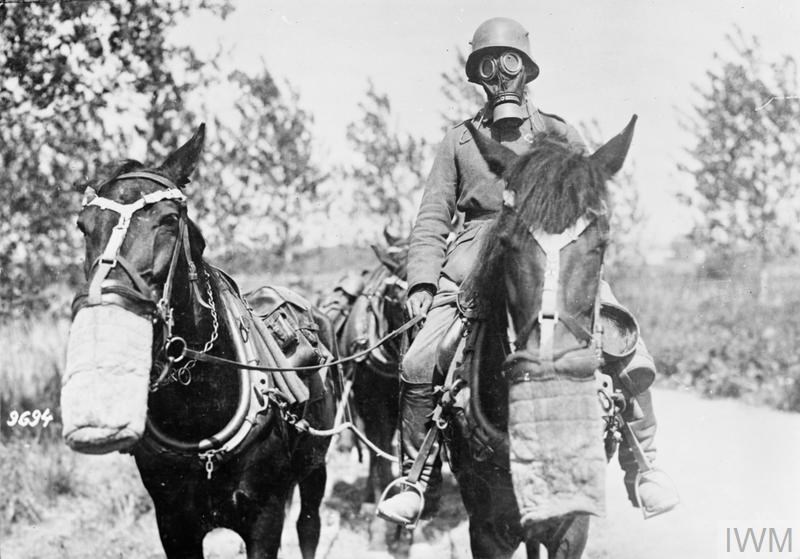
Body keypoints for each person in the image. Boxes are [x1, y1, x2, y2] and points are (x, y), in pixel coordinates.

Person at [376, 17, 679, 527]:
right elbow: (432, 216)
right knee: (419, 361)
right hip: (473, 262)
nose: (500, 78)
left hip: (555, 252)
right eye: (486, 67)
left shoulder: (559, 132)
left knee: (625, 345)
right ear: (478, 76)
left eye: (508, 64)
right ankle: (415, 476)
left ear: (526, 71)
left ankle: (644, 465)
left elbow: (591, 194)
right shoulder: (460, 141)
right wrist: (424, 282)